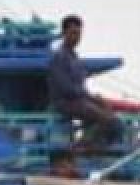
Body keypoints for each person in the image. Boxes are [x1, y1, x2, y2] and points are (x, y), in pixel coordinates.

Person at [47, 15, 121, 148]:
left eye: (79, 34)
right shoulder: (59, 57)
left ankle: (96, 145)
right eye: (73, 33)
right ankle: (83, 148)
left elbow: (80, 87)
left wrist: (95, 98)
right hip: (65, 102)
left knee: (112, 116)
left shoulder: (75, 57)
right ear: (64, 33)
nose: (77, 37)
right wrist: (89, 96)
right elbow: (66, 89)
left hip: (79, 100)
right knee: (106, 119)